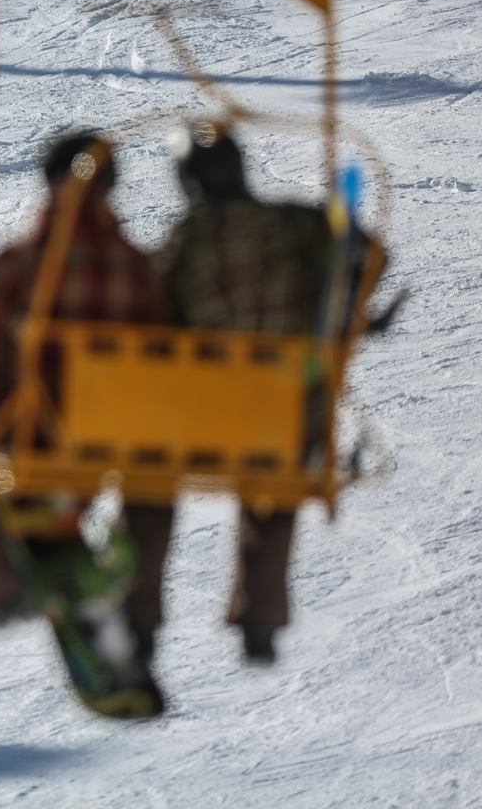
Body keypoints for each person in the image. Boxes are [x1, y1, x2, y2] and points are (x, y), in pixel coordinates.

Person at [0, 129, 172, 716]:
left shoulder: (18, 264)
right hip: (110, 449)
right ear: (109, 187)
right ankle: (123, 614)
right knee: (145, 488)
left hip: (30, 447)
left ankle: (2, 579)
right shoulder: (138, 269)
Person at [155, 121, 335, 664]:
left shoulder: (187, 238)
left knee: (145, 486)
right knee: (272, 495)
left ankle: (137, 614)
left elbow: (154, 305)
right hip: (287, 412)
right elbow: (366, 257)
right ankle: (259, 617)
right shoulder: (293, 224)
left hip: (209, 413)